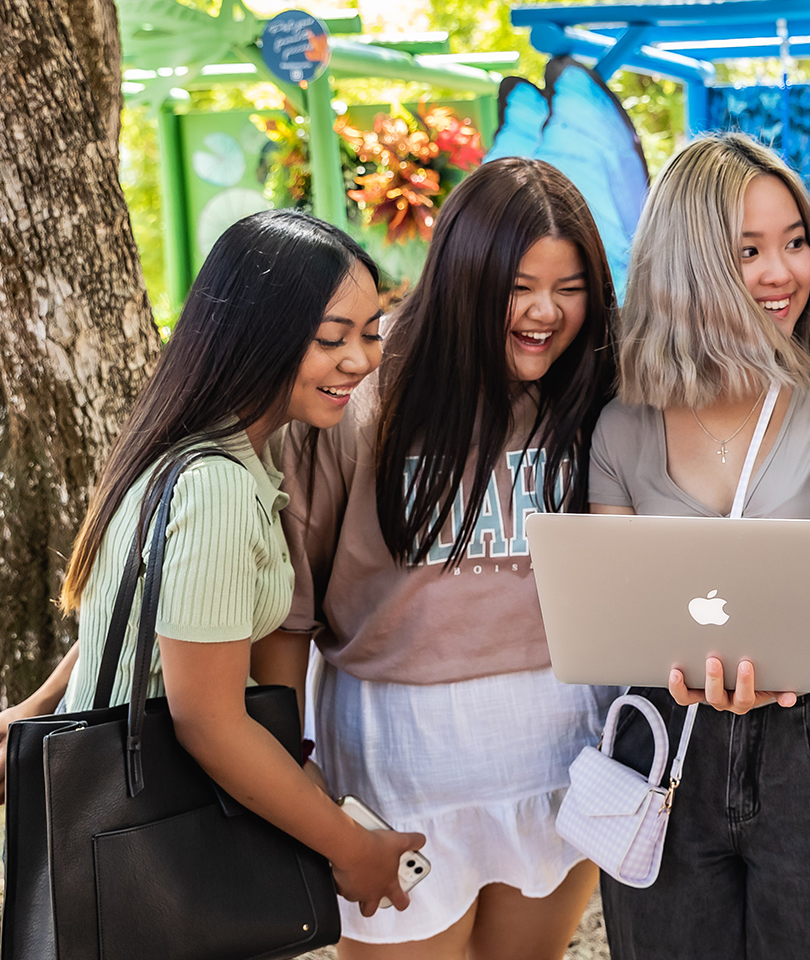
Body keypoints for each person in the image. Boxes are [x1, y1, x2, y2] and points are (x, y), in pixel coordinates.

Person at [0, 209, 423, 914]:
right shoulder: (217, 487)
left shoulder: (216, 448)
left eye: (372, 334)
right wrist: (354, 850)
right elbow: (211, 725)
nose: (362, 359)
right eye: (331, 339)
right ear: (255, 335)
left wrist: (41, 711)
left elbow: (150, 606)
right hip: (158, 847)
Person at [589, 133, 810, 960]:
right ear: (688, 262)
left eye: (796, 241)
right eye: (748, 251)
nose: (786, 272)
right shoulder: (622, 419)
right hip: (664, 737)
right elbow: (618, 606)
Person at [280, 158, 618, 959]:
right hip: (399, 760)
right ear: (463, 274)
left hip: (563, 749)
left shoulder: (598, 387)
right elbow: (287, 605)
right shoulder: (360, 389)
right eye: (517, 287)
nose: (544, 313)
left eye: (569, 288)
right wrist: (296, 774)